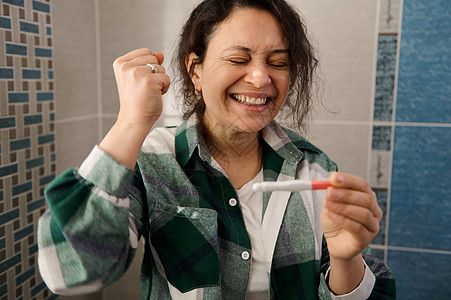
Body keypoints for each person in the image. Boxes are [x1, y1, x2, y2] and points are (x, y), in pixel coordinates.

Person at [38, 0, 396, 299]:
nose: (260, 77)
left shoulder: (313, 169)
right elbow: (69, 271)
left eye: (277, 62)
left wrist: (346, 259)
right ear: (196, 70)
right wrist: (131, 122)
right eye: (239, 60)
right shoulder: (151, 160)